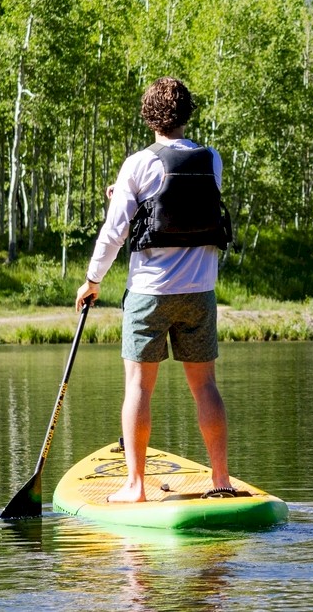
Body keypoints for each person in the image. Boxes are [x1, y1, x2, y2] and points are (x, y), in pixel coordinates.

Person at [75, 77, 237, 503]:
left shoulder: (137, 164)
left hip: (149, 293)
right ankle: (220, 480)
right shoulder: (212, 159)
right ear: (187, 114)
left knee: (139, 388)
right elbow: (180, 200)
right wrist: (124, 195)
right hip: (199, 291)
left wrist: (92, 281)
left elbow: (115, 232)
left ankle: (136, 486)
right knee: (206, 386)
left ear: (149, 117)